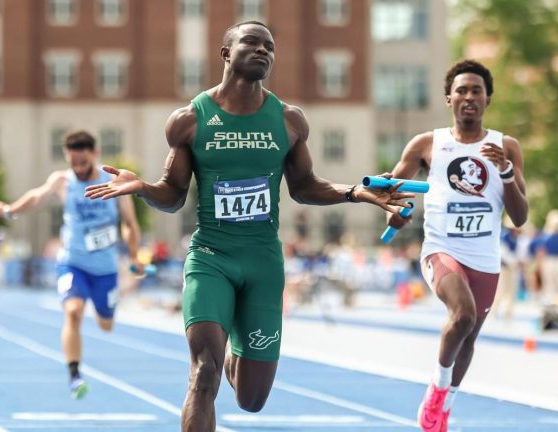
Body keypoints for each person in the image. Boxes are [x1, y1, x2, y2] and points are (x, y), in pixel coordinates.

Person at [84, 20, 412, 431]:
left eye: (269, 47)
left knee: (251, 399)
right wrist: (143, 187)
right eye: (252, 43)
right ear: (226, 53)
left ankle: (236, 341)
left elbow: (306, 187)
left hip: (262, 262)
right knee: (204, 373)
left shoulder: (289, 120)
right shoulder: (189, 120)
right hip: (210, 258)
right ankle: (217, 346)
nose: (263, 51)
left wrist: (356, 193)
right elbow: (171, 195)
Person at [386, 59, 528, 432]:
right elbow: (393, 204)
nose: (468, 97)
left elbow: (521, 216)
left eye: (476, 91)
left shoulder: (506, 147)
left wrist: (506, 173)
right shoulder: (427, 144)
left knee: (468, 338)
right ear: (448, 98)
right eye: (461, 90)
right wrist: (397, 214)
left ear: (487, 99)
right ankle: (437, 388)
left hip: (485, 258)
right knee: (461, 315)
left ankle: (445, 405)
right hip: (441, 250)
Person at [0, 130, 143, 400]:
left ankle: (106, 307)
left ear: (95, 154)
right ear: (67, 157)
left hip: (105, 268)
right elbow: (37, 197)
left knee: (106, 323)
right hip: (73, 262)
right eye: (74, 162)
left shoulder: (114, 182)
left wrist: (133, 256)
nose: (79, 168)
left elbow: (129, 223)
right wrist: (9, 210)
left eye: (83, 163)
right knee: (72, 311)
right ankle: (74, 375)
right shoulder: (62, 181)